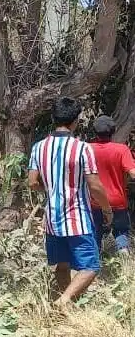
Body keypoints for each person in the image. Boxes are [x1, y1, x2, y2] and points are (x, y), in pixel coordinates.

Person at [28, 97, 113, 307]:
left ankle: (66, 307)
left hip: (52, 219)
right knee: (91, 266)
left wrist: (51, 189)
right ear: (75, 121)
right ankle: (64, 302)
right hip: (77, 217)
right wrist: (107, 209)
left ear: (53, 118)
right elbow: (94, 185)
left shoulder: (39, 148)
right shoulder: (82, 148)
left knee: (62, 264)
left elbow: (32, 183)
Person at [89, 115, 135, 255]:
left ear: (95, 132)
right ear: (113, 131)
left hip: (94, 201)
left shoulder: (87, 148)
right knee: (121, 231)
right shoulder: (122, 150)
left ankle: (94, 267)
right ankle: (124, 259)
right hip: (117, 202)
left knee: (95, 233)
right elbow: (133, 173)